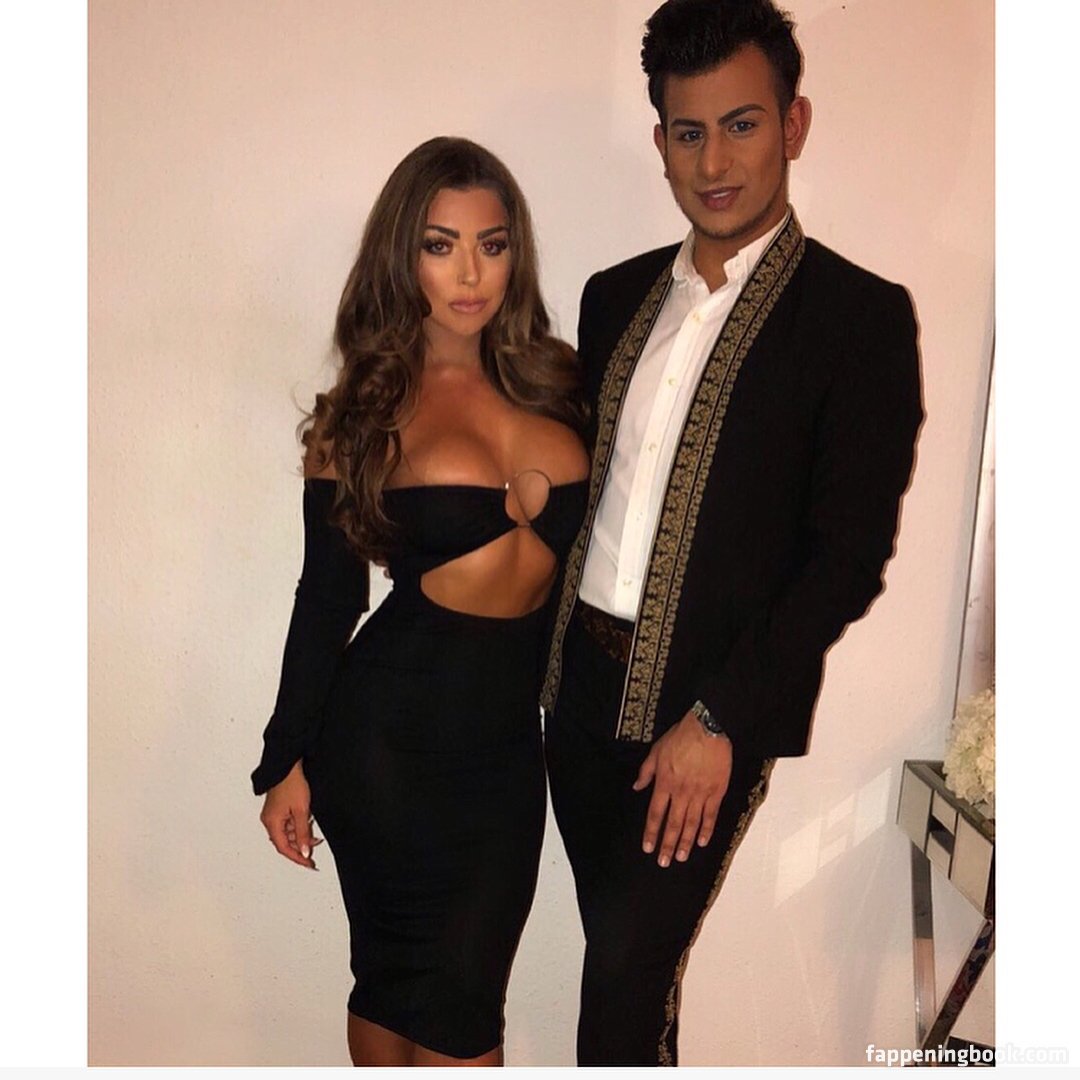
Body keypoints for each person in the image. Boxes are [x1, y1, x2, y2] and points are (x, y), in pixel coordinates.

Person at [541, 0, 923, 1065]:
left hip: (706, 714)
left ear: (793, 123)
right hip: (577, 699)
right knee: (630, 981)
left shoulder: (857, 319)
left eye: (743, 125)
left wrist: (720, 717)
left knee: (621, 984)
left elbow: (848, 557)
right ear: (661, 139)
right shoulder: (613, 297)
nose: (715, 162)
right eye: (689, 131)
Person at [251, 136, 589, 1067]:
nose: (471, 273)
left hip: (504, 753)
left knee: (451, 1000)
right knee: (409, 990)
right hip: (385, 745)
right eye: (441, 246)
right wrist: (287, 758)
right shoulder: (363, 411)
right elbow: (327, 599)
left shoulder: (561, 385)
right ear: (403, 256)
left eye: (492, 244)